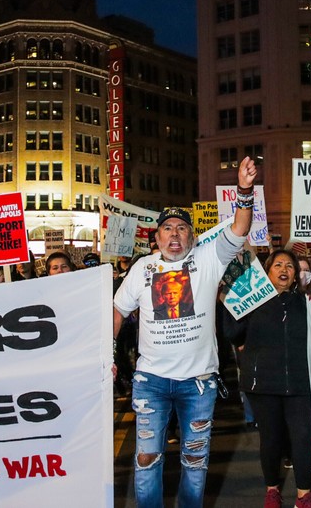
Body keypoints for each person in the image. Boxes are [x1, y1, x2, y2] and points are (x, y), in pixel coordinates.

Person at [113, 156, 257, 508]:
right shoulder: (142, 268)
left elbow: (239, 227)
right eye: (167, 228)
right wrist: (107, 357)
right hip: (151, 382)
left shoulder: (209, 258)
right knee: (147, 460)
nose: (174, 234)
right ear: (156, 237)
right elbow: (118, 311)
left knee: (195, 462)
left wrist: (244, 189)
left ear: (191, 236)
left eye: (181, 228)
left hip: (198, 383)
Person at [222, 250, 311, 508]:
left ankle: (304, 495)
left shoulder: (307, 303)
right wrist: (235, 300)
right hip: (262, 384)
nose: (284, 269)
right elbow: (232, 332)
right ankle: (272, 490)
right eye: (278, 265)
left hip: (299, 384)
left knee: (302, 437)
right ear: (268, 271)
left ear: (296, 274)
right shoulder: (253, 301)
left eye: (289, 265)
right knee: (271, 439)